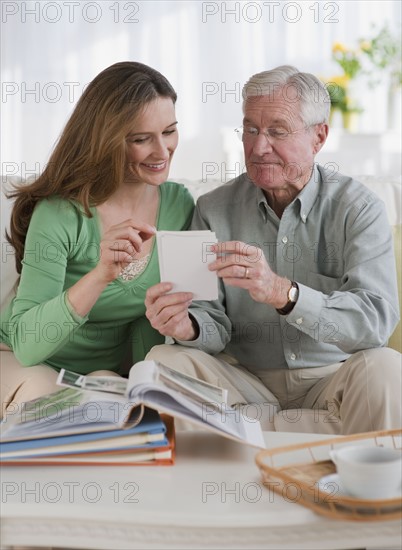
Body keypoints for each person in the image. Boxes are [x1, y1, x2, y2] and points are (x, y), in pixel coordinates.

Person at [144, 65, 401, 434]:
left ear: (319, 137)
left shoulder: (358, 209)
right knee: (164, 360)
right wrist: (188, 326)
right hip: (244, 380)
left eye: (277, 131)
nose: (259, 146)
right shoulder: (213, 208)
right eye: (250, 129)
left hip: (334, 378)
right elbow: (208, 321)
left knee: (388, 367)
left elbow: (374, 322)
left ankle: (365, 489)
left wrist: (285, 293)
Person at [0, 61, 194, 419]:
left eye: (169, 131)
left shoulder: (179, 205)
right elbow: (27, 346)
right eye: (140, 139)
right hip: (20, 358)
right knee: (49, 401)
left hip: (99, 375)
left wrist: (145, 383)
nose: (162, 151)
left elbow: (145, 319)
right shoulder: (60, 212)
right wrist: (101, 273)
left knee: (124, 405)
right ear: (105, 140)